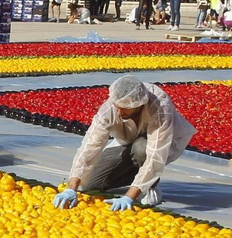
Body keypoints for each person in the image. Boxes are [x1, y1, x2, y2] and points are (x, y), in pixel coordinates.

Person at [50, 75, 195, 211]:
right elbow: (90, 146)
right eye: (117, 106)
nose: (119, 112)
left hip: (162, 144)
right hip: (127, 141)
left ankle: (149, 186)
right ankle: (138, 177)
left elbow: (156, 154)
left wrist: (128, 197)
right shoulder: (110, 109)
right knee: (89, 184)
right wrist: (71, 188)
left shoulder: (159, 106)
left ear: (139, 104)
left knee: (141, 148)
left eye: (124, 108)